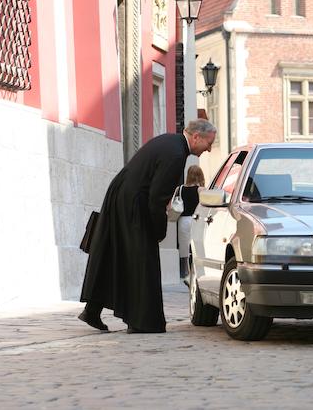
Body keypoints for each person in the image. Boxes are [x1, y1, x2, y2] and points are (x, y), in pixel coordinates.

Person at [78, 119, 217, 333]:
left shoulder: (171, 143)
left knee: (117, 255)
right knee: (142, 261)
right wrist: (158, 229)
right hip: (134, 202)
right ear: (197, 136)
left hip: (123, 196)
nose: (209, 149)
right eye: (209, 142)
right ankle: (140, 321)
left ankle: (92, 310)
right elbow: (157, 197)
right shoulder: (177, 154)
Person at [177, 165, 205, 286]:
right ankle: (195, 274)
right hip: (195, 220)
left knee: (184, 248)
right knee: (196, 246)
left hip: (182, 221)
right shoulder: (200, 190)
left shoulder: (180, 189)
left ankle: (186, 272)